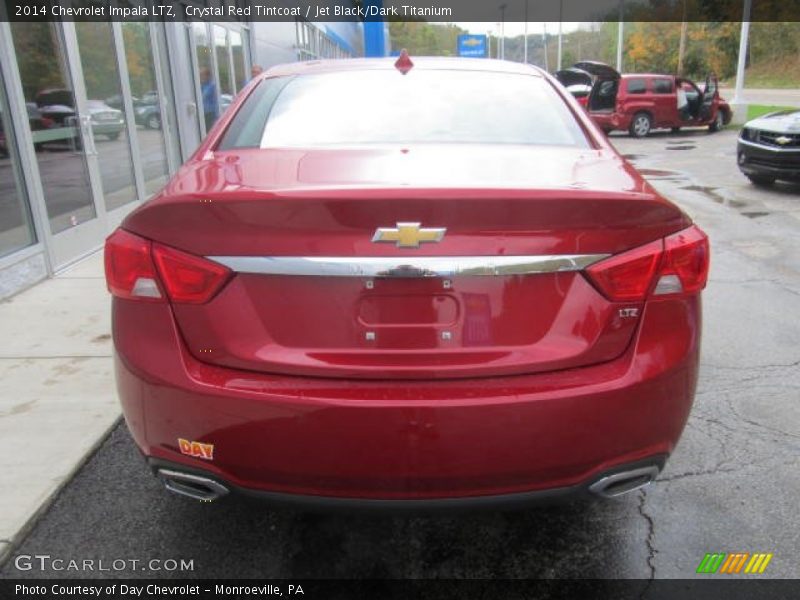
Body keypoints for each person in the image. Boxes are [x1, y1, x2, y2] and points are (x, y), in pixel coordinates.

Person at [200, 67, 218, 132]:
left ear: (207, 76)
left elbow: (203, 96)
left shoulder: (211, 85)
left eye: (202, 75)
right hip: (204, 113)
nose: (201, 77)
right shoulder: (202, 86)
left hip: (210, 113)